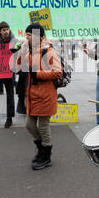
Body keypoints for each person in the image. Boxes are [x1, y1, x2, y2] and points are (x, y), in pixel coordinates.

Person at [16, 23, 62, 170]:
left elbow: (58, 72)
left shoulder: (48, 51)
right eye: (26, 35)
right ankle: (42, 150)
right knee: (29, 124)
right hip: (32, 95)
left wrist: (38, 74)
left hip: (45, 94)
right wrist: (21, 53)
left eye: (29, 35)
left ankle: (46, 155)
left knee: (43, 126)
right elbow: (19, 68)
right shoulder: (30, 50)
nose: (26, 38)